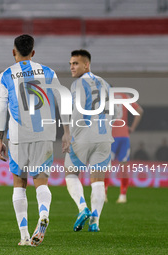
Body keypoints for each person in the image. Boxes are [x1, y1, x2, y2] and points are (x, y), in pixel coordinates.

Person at [0, 34, 70, 246]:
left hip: (19, 135)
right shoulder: (48, 72)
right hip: (45, 134)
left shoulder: (5, 76)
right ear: (33, 52)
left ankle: (24, 235)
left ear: (13, 51)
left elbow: (1, 108)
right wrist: (66, 131)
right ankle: (44, 214)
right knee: (41, 181)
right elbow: (62, 100)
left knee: (19, 183)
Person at [64, 49, 114, 232]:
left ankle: (82, 208)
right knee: (98, 181)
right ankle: (95, 222)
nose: (72, 67)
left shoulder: (77, 84)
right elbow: (115, 113)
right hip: (104, 138)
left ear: (87, 64)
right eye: (70, 64)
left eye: (75, 63)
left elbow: (75, 111)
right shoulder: (106, 84)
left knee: (70, 173)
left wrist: (70, 134)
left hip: (82, 135)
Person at [104, 91, 143, 203]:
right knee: (124, 167)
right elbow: (140, 110)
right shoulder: (125, 96)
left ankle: (104, 194)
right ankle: (123, 196)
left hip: (111, 136)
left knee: (106, 166)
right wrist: (133, 127)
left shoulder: (105, 98)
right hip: (124, 135)